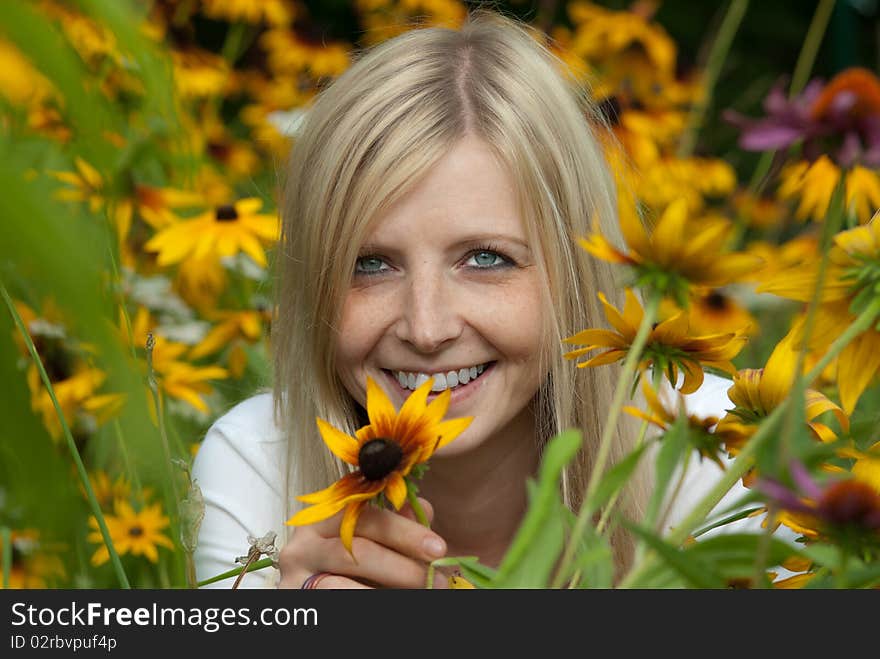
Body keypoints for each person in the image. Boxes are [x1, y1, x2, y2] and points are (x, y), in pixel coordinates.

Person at [191, 9, 743, 589]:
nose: (426, 329)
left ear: (576, 276)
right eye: (370, 265)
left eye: (485, 258)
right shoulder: (257, 469)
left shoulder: (715, 459)